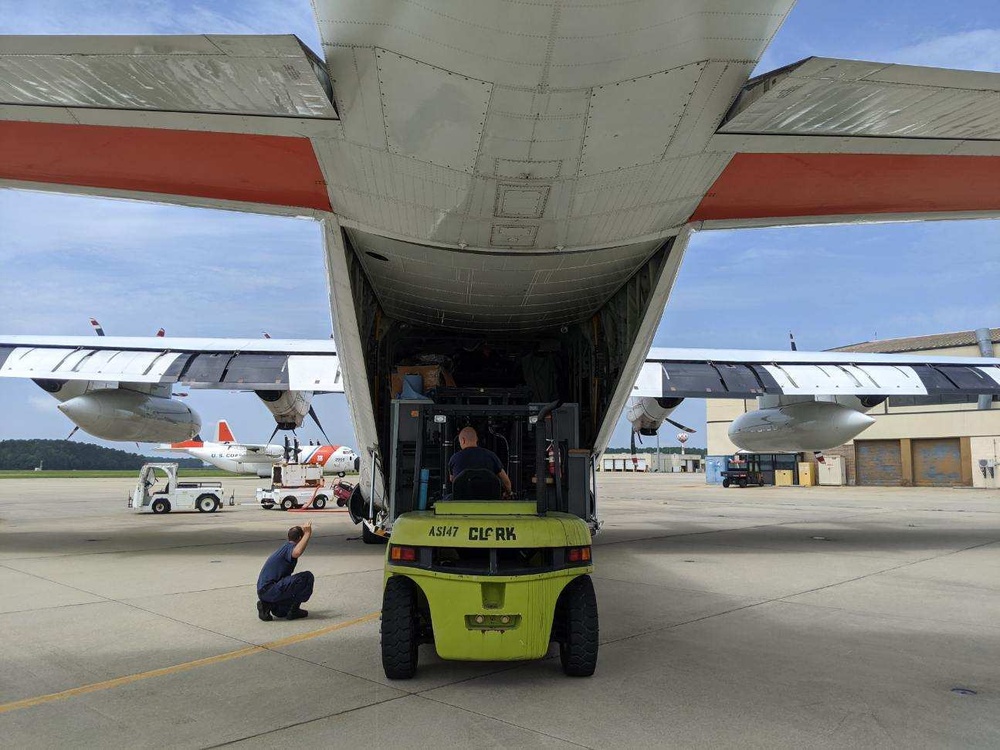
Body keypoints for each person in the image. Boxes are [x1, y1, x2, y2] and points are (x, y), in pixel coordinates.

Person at [256, 523, 315, 621]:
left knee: (282, 612)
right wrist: (307, 534)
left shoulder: (285, 547)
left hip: (265, 591)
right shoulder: (290, 548)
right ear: (300, 538)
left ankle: (267, 605)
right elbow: (297, 552)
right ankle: (294, 610)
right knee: (306, 577)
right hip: (270, 589)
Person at [448, 426, 512, 496]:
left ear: (463, 440)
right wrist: (507, 493)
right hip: (489, 499)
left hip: (463, 500)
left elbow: (453, 480)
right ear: (476, 440)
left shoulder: (454, 458)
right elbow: (506, 482)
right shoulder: (491, 455)